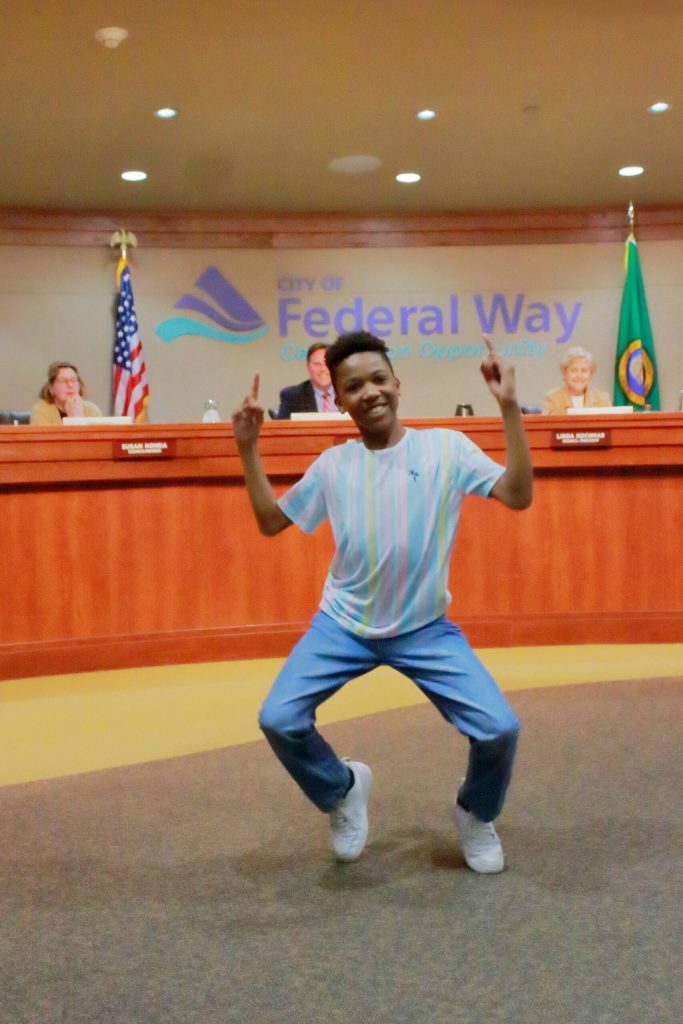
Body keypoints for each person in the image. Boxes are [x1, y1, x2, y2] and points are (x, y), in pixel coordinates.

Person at [232, 330, 533, 874]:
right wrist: (248, 448)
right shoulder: (334, 466)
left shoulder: (445, 448)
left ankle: (475, 811)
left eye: (377, 380)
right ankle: (343, 788)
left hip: (425, 628)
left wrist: (509, 406)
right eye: (353, 386)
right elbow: (270, 521)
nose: (369, 392)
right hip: (343, 626)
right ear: (339, 400)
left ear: (397, 384)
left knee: (499, 728)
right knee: (278, 718)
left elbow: (517, 494)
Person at [542, 346, 611, 414]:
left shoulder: (603, 400)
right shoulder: (553, 399)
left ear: (590, 375)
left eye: (584, 370)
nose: (579, 375)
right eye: (574, 370)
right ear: (564, 374)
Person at [30, 362, 102, 425]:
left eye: (73, 380)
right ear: (51, 388)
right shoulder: (41, 411)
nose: (70, 385)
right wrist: (72, 421)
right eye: (63, 381)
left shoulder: (92, 410)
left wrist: (80, 418)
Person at [275, 343, 333, 418]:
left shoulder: (347, 393)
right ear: (308, 367)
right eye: (317, 364)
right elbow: (282, 428)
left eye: (327, 363)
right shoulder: (292, 396)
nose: (322, 369)